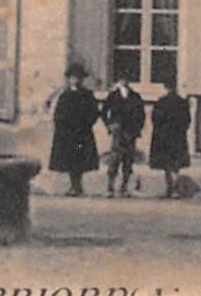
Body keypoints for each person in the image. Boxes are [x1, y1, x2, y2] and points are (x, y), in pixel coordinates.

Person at [48, 61, 101, 196]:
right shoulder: (64, 95)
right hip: (68, 134)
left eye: (78, 78)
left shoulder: (87, 95)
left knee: (80, 161)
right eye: (73, 77)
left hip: (82, 133)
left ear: (82, 79)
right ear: (69, 79)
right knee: (70, 160)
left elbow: (94, 112)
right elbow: (58, 114)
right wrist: (63, 127)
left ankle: (78, 186)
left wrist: (87, 123)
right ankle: (74, 186)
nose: (75, 80)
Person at [101, 74, 146, 198]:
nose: (124, 81)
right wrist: (109, 125)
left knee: (128, 160)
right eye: (121, 79)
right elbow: (104, 112)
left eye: (126, 79)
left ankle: (124, 187)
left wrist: (137, 128)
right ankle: (110, 187)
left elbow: (141, 115)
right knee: (115, 159)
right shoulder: (113, 96)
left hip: (130, 132)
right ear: (118, 80)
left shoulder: (135, 96)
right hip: (118, 132)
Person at [149, 79, 192, 198]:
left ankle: (170, 188)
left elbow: (155, 119)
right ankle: (175, 189)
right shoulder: (182, 102)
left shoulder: (161, 102)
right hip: (178, 136)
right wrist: (181, 129)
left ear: (165, 88)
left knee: (166, 164)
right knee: (176, 163)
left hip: (164, 137)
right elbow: (187, 120)